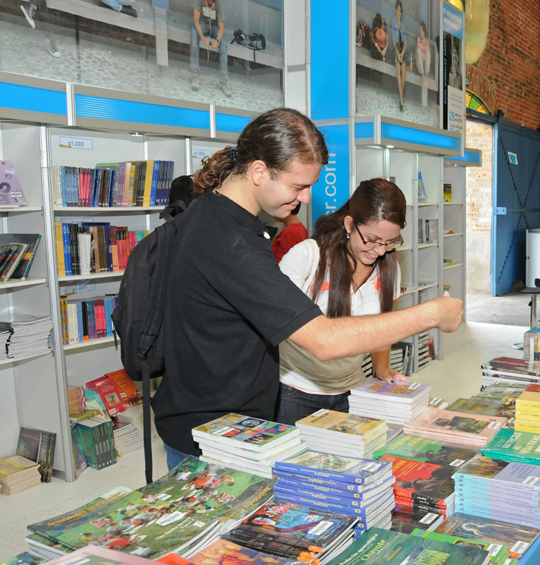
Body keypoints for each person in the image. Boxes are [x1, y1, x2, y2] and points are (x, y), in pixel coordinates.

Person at [151, 108, 463, 470]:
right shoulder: (230, 240)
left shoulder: (222, 219)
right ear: (258, 172)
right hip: (212, 435)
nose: (304, 197)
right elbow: (323, 339)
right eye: (298, 186)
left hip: (229, 426)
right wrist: (432, 313)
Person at [276, 179, 409, 425]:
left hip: (353, 390)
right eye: (371, 239)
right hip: (294, 392)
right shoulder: (307, 257)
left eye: (391, 242)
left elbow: (380, 328)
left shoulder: (389, 268)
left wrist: (381, 368)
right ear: (349, 224)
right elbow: (279, 326)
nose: (380, 251)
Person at [191, 0, 231, 98]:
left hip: (215, 27)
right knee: (193, 37)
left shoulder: (219, 4)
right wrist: (202, 37)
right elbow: (196, 20)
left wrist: (217, 40)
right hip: (201, 25)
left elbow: (221, 28)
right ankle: (195, 76)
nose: (211, 7)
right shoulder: (199, 1)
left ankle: (223, 82)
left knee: (223, 46)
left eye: (213, 4)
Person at [391, 1, 407, 112]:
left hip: (402, 51)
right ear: (395, 10)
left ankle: (400, 95)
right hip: (396, 49)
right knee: (398, 66)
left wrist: (402, 53)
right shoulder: (393, 22)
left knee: (404, 67)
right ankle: (401, 98)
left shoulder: (403, 25)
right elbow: (393, 40)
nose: (399, 13)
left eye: (400, 11)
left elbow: (405, 43)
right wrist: (397, 53)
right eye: (398, 10)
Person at [414, 22, 431, 107]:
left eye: (421, 30)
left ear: (424, 31)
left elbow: (430, 59)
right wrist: (417, 62)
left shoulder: (427, 42)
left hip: (425, 67)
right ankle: (424, 76)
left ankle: (425, 77)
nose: (420, 32)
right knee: (419, 51)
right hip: (419, 66)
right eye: (419, 30)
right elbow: (416, 53)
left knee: (428, 52)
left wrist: (426, 64)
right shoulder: (418, 40)